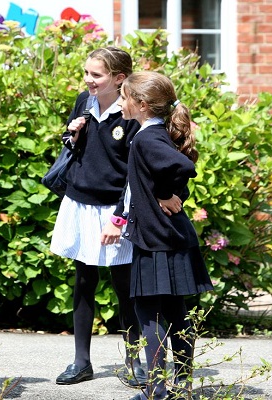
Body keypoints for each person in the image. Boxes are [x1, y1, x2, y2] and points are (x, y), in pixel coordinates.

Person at [113, 71, 214, 400]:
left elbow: (182, 168)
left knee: (149, 315)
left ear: (141, 105)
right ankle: (181, 388)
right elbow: (168, 173)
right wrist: (161, 193)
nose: (121, 102)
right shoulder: (153, 134)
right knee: (176, 312)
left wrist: (164, 191)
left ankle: (157, 390)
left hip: (156, 240)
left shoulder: (147, 138)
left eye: (125, 97)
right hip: (169, 236)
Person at [50, 46, 147, 387]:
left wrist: (118, 218)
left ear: (119, 79)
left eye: (96, 75)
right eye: (87, 73)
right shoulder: (84, 101)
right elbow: (73, 150)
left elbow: (135, 173)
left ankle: (135, 360)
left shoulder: (130, 113)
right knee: (83, 282)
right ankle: (81, 361)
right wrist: (72, 133)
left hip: (113, 209)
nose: (88, 80)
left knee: (125, 286)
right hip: (79, 204)